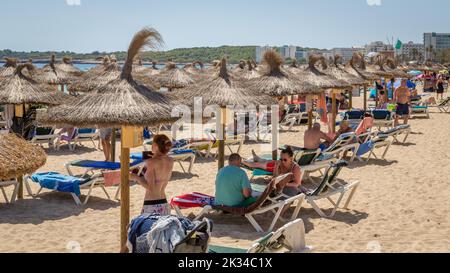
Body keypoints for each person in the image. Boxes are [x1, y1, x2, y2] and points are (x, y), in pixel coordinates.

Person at [130, 134, 174, 215]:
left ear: (155, 145)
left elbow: (151, 188)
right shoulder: (170, 160)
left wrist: (137, 178)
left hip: (151, 203)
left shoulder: (152, 162)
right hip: (163, 202)